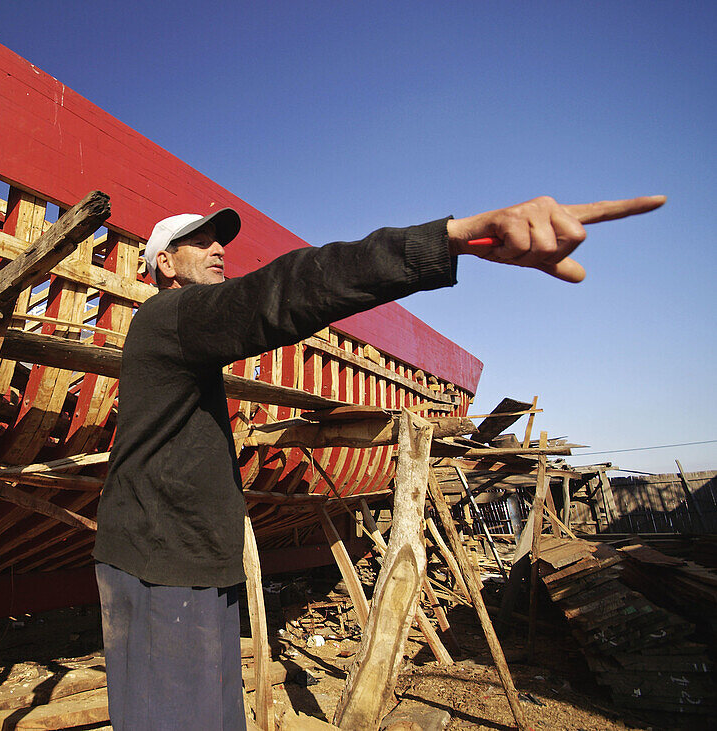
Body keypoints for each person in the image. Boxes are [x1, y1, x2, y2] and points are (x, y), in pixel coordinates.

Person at [92, 194, 665, 729]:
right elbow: (282, 292)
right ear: (165, 263)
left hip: (190, 563)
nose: (220, 250)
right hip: (158, 567)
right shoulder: (169, 317)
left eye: (222, 241)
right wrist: (453, 238)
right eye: (202, 242)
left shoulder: (185, 343)